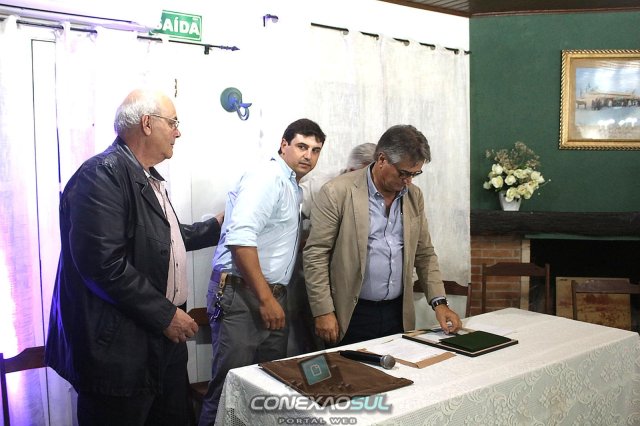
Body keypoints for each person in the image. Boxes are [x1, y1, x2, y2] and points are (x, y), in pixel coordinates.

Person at [45, 89, 223, 425]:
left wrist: (215, 226)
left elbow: (163, 238)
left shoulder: (145, 175)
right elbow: (102, 265)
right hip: (119, 351)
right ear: (147, 123)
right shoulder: (102, 174)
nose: (178, 132)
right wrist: (166, 315)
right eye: (173, 122)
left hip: (159, 340)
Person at [198, 118, 326, 425]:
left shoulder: (292, 186)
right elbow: (240, 240)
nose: (308, 155)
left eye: (315, 150)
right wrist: (267, 299)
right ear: (284, 145)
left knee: (265, 389)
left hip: (269, 294)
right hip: (245, 293)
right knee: (228, 391)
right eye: (302, 146)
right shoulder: (268, 177)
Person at [303, 124, 462, 346]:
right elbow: (316, 254)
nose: (408, 181)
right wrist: (323, 311)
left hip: (397, 313)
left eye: (415, 174)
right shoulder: (336, 192)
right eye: (403, 173)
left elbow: (424, 253)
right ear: (381, 159)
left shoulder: (413, 196)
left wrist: (440, 303)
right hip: (351, 313)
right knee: (350, 368)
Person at [289, 142, 377, 355]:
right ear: (352, 169)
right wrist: (306, 241)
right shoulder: (320, 186)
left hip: (355, 287)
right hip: (314, 282)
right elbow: (287, 223)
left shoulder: (379, 191)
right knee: (314, 347)